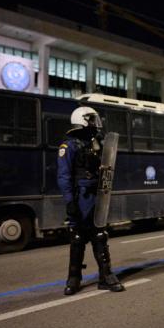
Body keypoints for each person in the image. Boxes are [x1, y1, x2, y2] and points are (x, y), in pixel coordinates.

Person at [57, 106, 125, 295]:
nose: (96, 124)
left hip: (97, 196)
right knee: (77, 238)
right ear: (82, 120)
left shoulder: (96, 144)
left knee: (100, 235)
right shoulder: (69, 146)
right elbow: (64, 176)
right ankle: (73, 278)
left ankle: (106, 276)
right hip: (80, 197)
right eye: (92, 120)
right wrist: (70, 201)